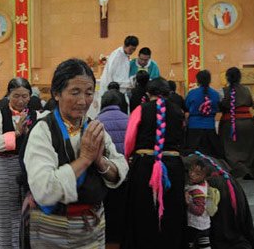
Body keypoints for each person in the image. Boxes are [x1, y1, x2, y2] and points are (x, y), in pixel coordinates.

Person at [25, 59, 127, 248]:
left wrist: (100, 161)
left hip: (94, 224)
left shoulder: (95, 128)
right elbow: (44, 190)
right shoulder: (43, 131)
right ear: (56, 93)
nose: (83, 101)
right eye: (75, 92)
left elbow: (121, 167)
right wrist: (85, 159)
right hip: (53, 227)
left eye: (89, 93)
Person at [124, 78, 186, 248]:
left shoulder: (140, 110)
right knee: (171, 212)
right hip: (173, 167)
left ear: (147, 93)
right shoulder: (178, 111)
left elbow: (129, 141)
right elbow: (182, 139)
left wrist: (127, 158)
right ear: (169, 93)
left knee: (143, 212)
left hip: (144, 166)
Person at [0, 77, 38, 249]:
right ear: (8, 95)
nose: (21, 101)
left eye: (25, 96)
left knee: (27, 217)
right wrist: (15, 133)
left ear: (30, 96)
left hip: (28, 169)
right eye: (16, 96)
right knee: (4, 218)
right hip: (3, 167)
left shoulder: (36, 115)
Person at [97, 90, 129, 247]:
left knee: (107, 212)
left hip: (105, 174)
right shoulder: (128, 119)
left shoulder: (96, 122)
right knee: (122, 213)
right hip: (124, 174)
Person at [218, 68, 254, 180]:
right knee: (249, 148)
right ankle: (251, 171)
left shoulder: (223, 91)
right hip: (248, 123)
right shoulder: (246, 90)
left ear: (227, 77)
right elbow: (252, 104)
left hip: (230, 124)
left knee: (229, 149)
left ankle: (239, 169)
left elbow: (219, 106)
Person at [96, 35, 139, 115]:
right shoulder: (116, 56)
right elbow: (111, 76)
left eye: (134, 49)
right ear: (126, 45)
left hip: (120, 90)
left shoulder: (125, 56)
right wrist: (128, 83)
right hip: (112, 90)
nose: (132, 51)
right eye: (131, 49)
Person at [185, 70, 223, 158]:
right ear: (209, 80)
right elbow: (218, 108)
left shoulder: (192, 93)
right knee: (210, 155)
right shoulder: (215, 94)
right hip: (210, 127)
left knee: (193, 156)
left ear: (197, 80)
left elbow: (186, 106)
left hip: (194, 127)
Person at [183, 156, 212, 249]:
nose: (192, 174)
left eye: (197, 174)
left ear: (205, 176)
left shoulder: (197, 191)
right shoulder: (204, 184)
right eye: (191, 170)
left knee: (189, 244)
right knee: (205, 245)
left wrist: (188, 203)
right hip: (205, 224)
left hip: (195, 226)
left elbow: (199, 211)